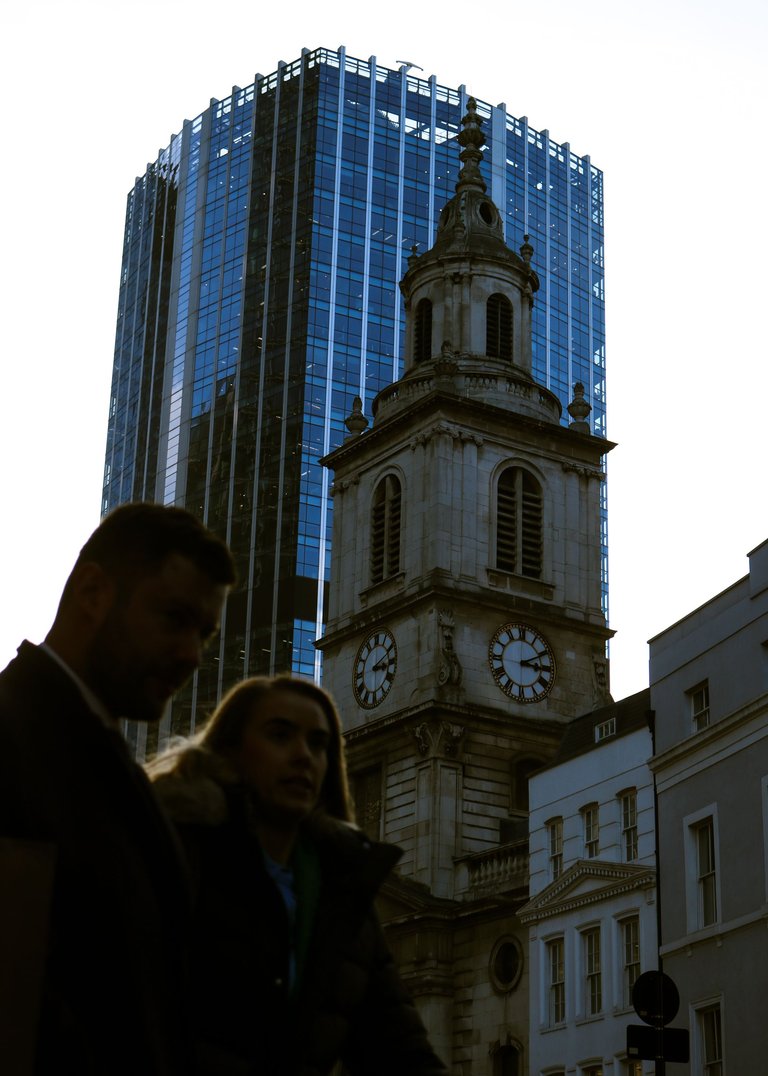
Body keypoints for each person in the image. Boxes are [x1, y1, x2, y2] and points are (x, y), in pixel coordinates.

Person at [0, 503, 235, 1076]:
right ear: (92, 593)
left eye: (204, 634)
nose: (192, 656)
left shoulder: (105, 763)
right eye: (174, 619)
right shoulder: (15, 743)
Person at [151, 675, 448, 1076]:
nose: (303, 756)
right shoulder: (175, 853)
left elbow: (400, 1052)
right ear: (231, 751)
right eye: (280, 735)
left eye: (318, 743)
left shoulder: (343, 895)